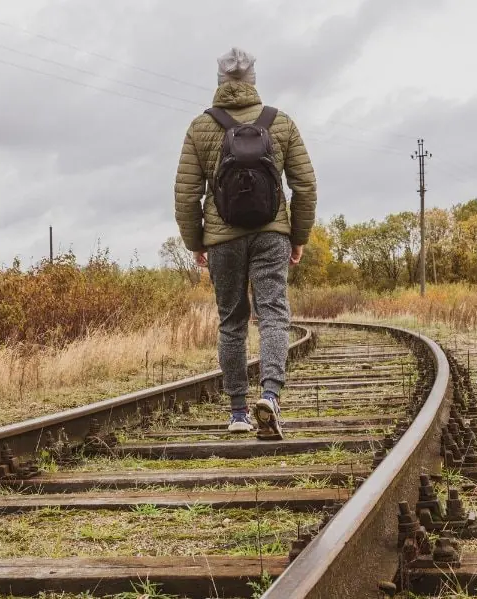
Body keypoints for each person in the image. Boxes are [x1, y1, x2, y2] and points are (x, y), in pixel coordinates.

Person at [174, 48, 317, 438]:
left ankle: (238, 411)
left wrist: (195, 241)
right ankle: (270, 395)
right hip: (272, 233)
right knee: (273, 314)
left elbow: (187, 194)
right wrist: (298, 236)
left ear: (220, 83)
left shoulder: (200, 128)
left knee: (232, 322)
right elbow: (305, 185)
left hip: (222, 239)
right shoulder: (280, 123)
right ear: (253, 81)